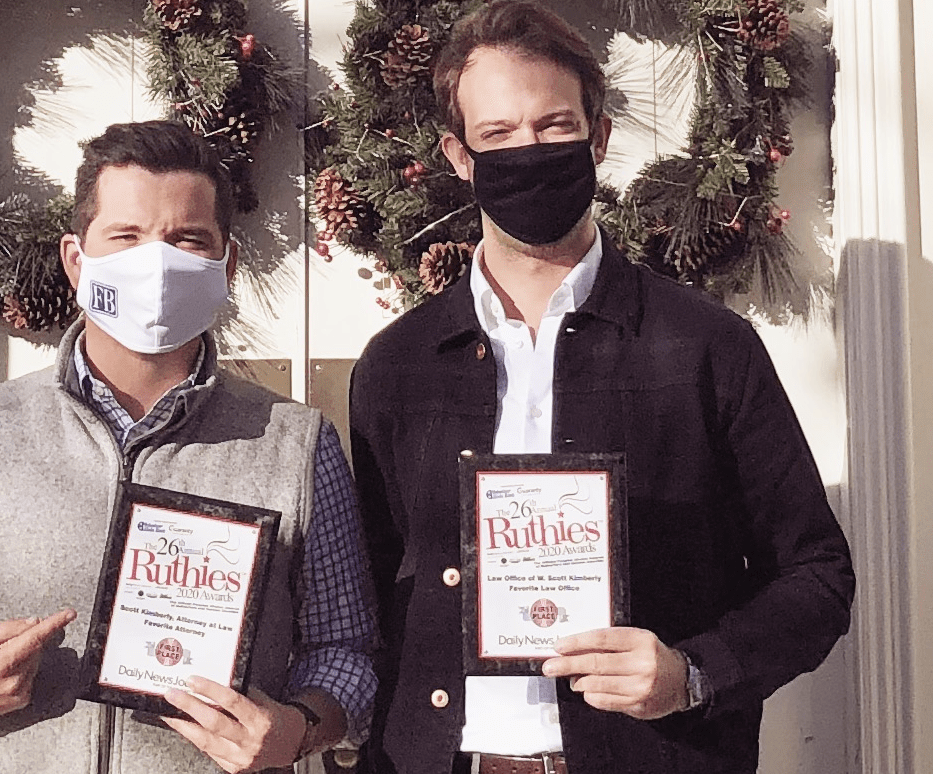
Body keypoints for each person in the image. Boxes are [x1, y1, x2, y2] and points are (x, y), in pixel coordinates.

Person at [347, 3, 855, 773]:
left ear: (599, 136)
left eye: (554, 126)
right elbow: (370, 596)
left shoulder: (704, 346)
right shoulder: (398, 364)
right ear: (458, 154)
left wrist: (694, 674)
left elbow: (816, 575)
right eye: (498, 134)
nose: (530, 150)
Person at [0, 120, 375, 774]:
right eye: (127, 237)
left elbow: (347, 652)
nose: (156, 261)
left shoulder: (296, 446)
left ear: (227, 265)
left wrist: (298, 727)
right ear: (77, 262)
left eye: (187, 239)